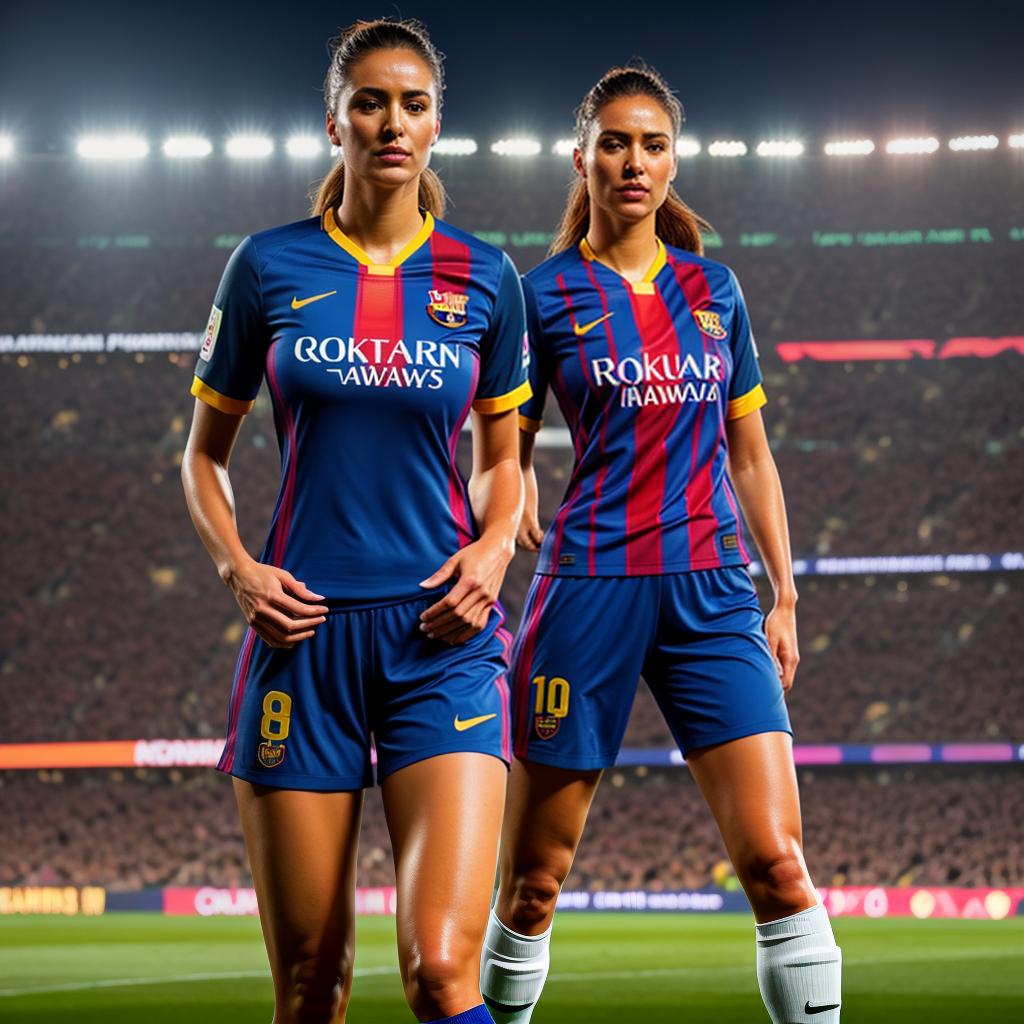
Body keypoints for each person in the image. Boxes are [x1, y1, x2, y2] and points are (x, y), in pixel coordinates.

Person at [180, 18, 530, 1024]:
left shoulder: (484, 279)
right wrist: (238, 569)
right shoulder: (267, 267)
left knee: (442, 974)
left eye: (413, 103)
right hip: (304, 639)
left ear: (435, 125)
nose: (392, 121)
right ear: (334, 121)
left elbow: (503, 464)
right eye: (370, 101)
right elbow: (202, 457)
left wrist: (495, 545)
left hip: (444, 638)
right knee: (310, 987)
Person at [479, 66, 842, 1024]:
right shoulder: (541, 294)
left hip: (712, 590)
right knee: (534, 884)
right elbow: (500, 438)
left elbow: (752, 458)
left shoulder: (716, 291)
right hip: (587, 587)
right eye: (613, 142)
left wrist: (786, 592)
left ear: (672, 160)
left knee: (776, 862)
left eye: (650, 144)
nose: (632, 161)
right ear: (582, 158)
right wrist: (506, 499)